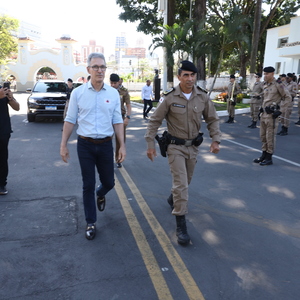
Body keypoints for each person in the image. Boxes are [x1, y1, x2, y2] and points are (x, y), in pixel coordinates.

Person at [145, 61, 221, 245]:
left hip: (193, 147)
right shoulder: (169, 97)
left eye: (192, 75)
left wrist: (216, 139)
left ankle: (173, 198)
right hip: (174, 147)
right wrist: (150, 144)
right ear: (179, 77)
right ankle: (181, 225)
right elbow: (154, 120)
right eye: (185, 75)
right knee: (181, 184)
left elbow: (212, 119)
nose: (189, 78)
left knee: (186, 181)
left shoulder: (202, 97)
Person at [60, 53, 126, 240]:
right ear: (88, 69)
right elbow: (70, 120)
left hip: (105, 145)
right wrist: (63, 144)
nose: (100, 70)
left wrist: (121, 146)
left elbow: (118, 120)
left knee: (109, 183)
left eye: (103, 67)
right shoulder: (78, 93)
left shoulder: (113, 93)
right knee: (87, 184)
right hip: (85, 145)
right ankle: (91, 222)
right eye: (95, 67)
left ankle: (101, 193)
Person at [253, 66, 291, 166]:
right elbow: (265, 99)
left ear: (273, 74)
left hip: (272, 115)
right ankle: (263, 155)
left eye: (267, 74)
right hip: (264, 114)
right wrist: (262, 107)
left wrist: (280, 111)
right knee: (263, 136)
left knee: (270, 137)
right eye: (264, 73)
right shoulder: (265, 85)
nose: (265, 75)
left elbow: (287, 97)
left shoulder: (278, 84)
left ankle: (269, 157)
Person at [0, 83, 20, 195]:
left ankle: (1, 184)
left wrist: (10, 98)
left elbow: (17, 108)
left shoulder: (2, 90)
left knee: (2, 158)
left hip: (3, 130)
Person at [110, 73, 131, 168]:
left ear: (119, 82)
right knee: (107, 139)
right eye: (111, 83)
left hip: (121, 118)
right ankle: (107, 159)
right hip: (109, 118)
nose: (113, 85)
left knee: (120, 140)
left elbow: (128, 105)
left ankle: (118, 159)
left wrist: (128, 117)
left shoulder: (124, 91)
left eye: (115, 83)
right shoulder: (107, 90)